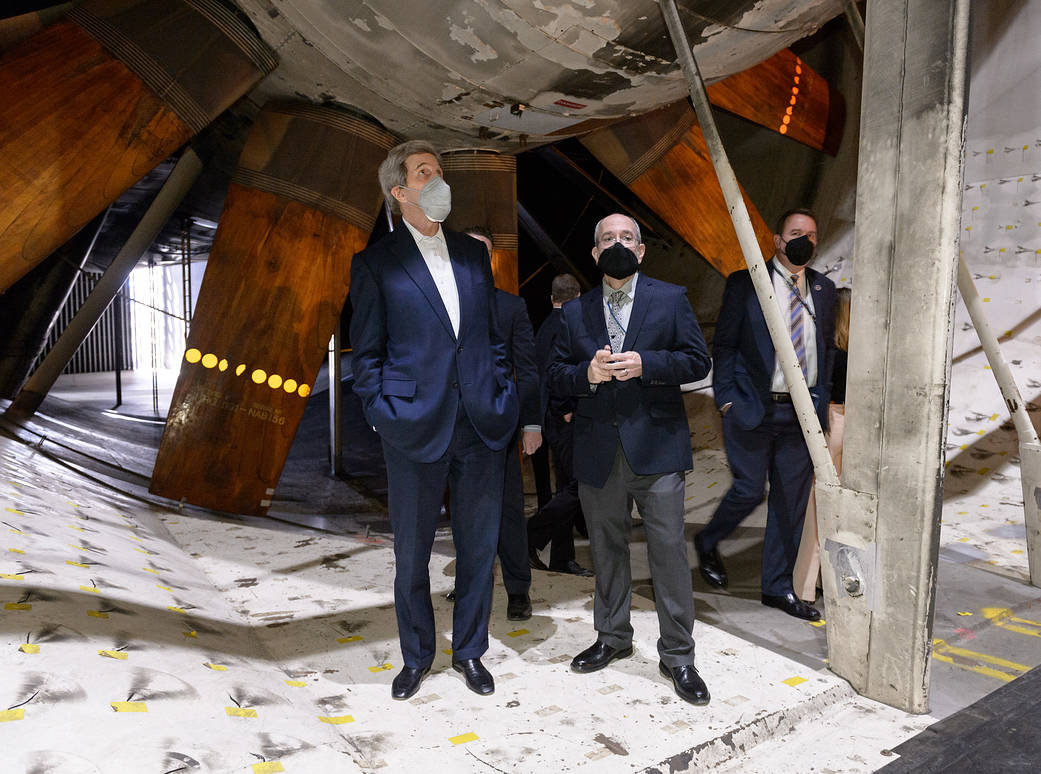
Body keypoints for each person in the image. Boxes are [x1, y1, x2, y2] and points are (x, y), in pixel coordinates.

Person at [350, 141, 518, 700]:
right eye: (425, 173)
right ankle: (417, 656)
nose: (438, 179)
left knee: (477, 546)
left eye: (439, 171)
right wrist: (380, 412)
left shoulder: (472, 256)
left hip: (479, 421)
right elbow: (366, 351)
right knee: (413, 551)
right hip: (413, 425)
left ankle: (470, 651)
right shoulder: (375, 262)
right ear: (400, 192)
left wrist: (502, 392)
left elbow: (492, 338)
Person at [548, 213, 712, 705]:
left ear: (640, 251)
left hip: (657, 449)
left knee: (667, 553)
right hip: (599, 450)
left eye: (626, 238)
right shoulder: (574, 313)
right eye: (606, 239)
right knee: (606, 550)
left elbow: (698, 361)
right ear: (595, 255)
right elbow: (555, 376)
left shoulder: (671, 298)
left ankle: (679, 654)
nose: (616, 244)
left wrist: (649, 365)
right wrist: (588, 375)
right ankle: (613, 638)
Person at [694, 208, 836, 621]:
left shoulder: (824, 290)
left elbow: (824, 353)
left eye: (810, 234)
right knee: (750, 489)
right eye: (795, 233)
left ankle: (777, 588)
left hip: (801, 416)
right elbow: (725, 345)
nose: (804, 241)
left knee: (790, 503)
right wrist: (726, 398)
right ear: (777, 239)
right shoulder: (746, 283)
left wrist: (821, 404)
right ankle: (708, 540)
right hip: (752, 407)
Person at [463, 226, 543, 620]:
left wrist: (532, 424)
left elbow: (527, 371)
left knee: (509, 510)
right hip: (455, 428)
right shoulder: (442, 306)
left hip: (500, 427)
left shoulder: (511, 307)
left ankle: (517, 590)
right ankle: (469, 584)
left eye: (485, 252)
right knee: (465, 511)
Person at [527, 273, 593, 576]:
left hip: (551, 418)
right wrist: (566, 408)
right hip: (562, 418)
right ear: (578, 296)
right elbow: (558, 373)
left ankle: (562, 558)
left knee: (570, 486)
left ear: (552, 298)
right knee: (580, 485)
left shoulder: (545, 326)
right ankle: (530, 534)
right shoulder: (567, 325)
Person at [792, 286, 850, 601]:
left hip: (829, 423)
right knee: (828, 508)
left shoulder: (827, 348)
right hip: (841, 423)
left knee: (819, 505)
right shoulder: (849, 353)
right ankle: (811, 584)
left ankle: (809, 584)